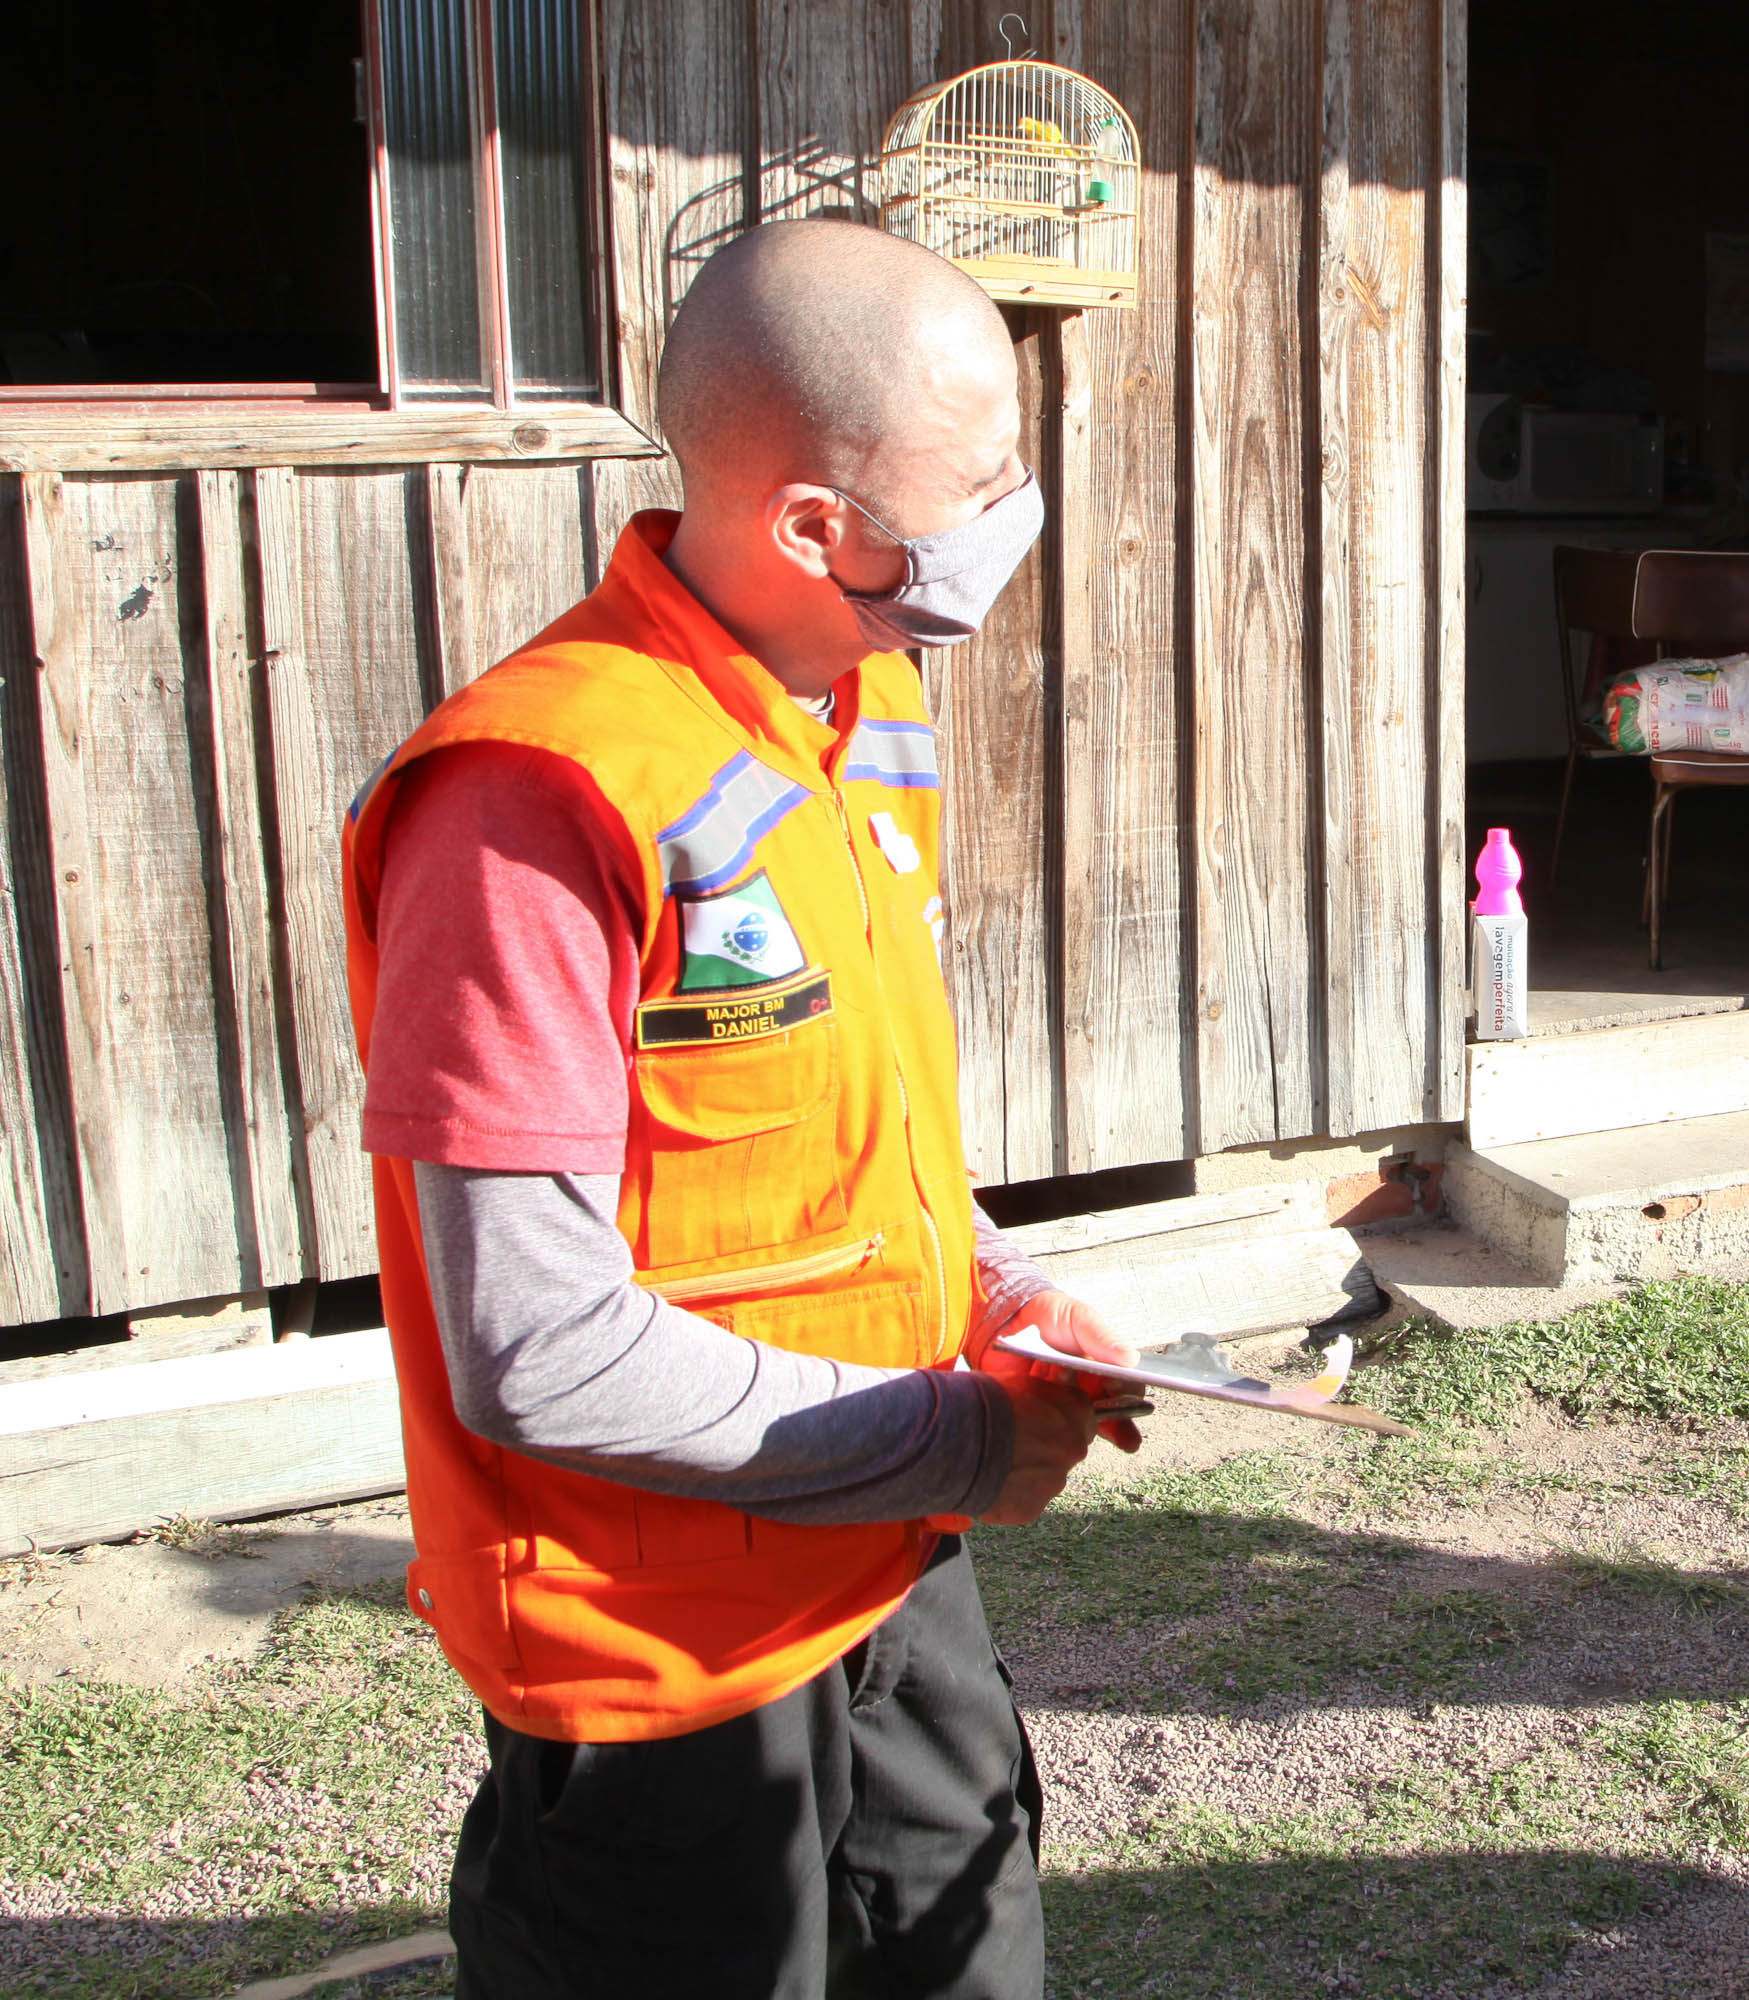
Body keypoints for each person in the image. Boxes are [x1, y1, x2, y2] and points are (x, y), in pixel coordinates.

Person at [342, 219, 1139, 1999]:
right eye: (987, 478)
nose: (1023, 505)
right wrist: (955, 1442)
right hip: (662, 1658)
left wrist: (1000, 1296)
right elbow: (534, 1343)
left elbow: (843, 1133)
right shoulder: (534, 802)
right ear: (813, 527)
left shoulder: (865, 706)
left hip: (880, 1577)